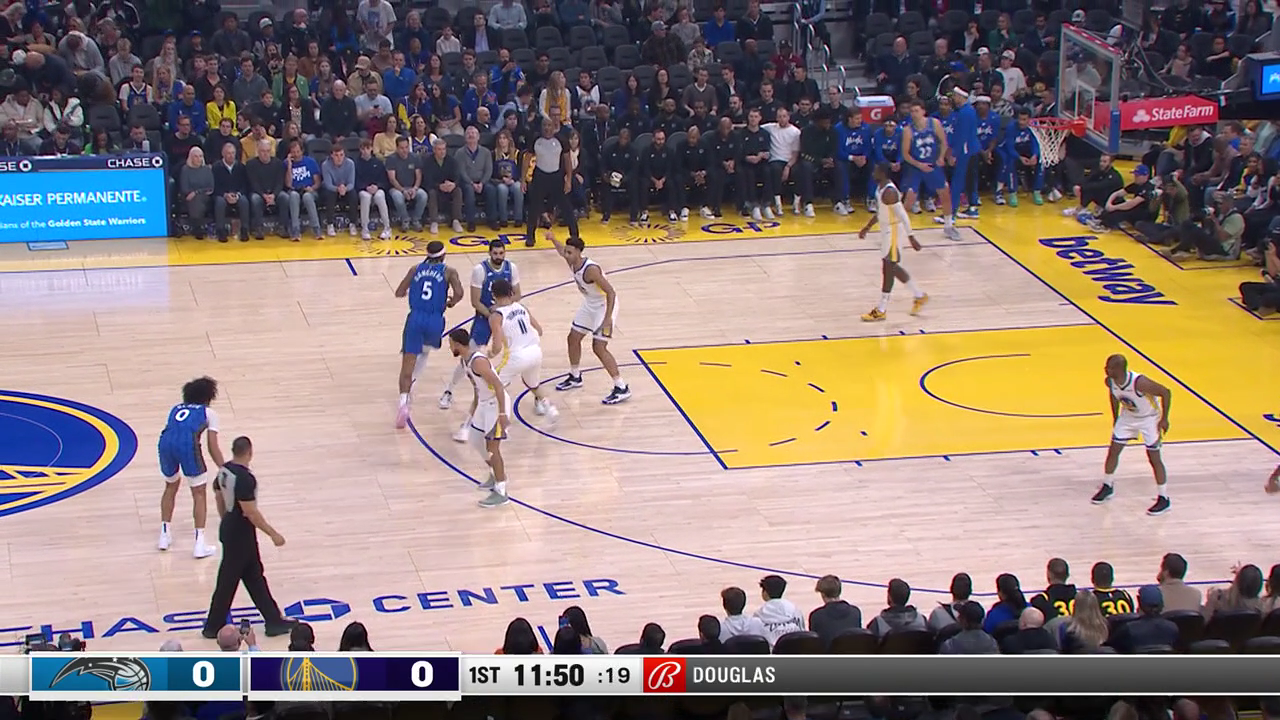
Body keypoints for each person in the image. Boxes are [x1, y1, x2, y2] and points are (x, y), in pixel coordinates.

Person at [201, 436, 295, 639]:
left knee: (254, 576)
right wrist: (273, 534)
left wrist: (225, 518)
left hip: (230, 526)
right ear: (249, 452)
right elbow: (250, 512)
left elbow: (218, 495)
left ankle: (273, 620)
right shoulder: (244, 479)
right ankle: (213, 626)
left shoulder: (224, 470)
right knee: (228, 580)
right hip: (240, 533)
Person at [440, 239, 522, 435]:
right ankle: (449, 390)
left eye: (501, 253)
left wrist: (501, 311)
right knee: (467, 357)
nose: (498, 256)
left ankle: (536, 395)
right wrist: (491, 315)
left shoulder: (512, 268)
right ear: (489, 253)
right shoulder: (480, 270)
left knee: (520, 350)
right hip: (484, 318)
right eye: (495, 253)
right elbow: (475, 301)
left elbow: (518, 295)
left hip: (503, 316)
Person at [548, 234, 630, 405]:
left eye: (569, 252)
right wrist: (553, 238)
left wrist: (607, 319)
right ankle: (575, 376)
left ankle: (621, 387)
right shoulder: (571, 260)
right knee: (573, 338)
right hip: (590, 304)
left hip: (605, 306)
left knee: (599, 347)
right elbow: (560, 250)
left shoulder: (591, 270)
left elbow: (611, 292)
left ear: (579, 252)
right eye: (566, 252)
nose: (566, 255)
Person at [393, 241, 464, 428]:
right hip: (434, 320)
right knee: (424, 351)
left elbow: (399, 292)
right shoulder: (449, 272)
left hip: (415, 318)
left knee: (407, 364)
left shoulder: (415, 269)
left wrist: (410, 292)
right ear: (443, 255)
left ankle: (403, 402)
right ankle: (413, 383)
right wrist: (451, 303)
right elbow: (459, 293)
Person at [1092, 354, 1173, 515]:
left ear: (1119, 369)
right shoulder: (1110, 381)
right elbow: (1113, 396)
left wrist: (1164, 419)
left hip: (1149, 418)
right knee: (1113, 451)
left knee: (1154, 458)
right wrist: (1116, 417)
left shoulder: (1140, 382)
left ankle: (1164, 498)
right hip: (1128, 416)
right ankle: (1108, 485)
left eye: (1109, 367)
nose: (1106, 369)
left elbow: (1166, 392)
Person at [157, 376, 225, 558]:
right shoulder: (208, 413)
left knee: (170, 486)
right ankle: (199, 543)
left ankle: (164, 535)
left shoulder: (175, 408)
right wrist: (224, 467)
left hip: (165, 444)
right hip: (187, 446)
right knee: (199, 493)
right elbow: (212, 445)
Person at [447, 328, 513, 508]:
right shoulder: (465, 361)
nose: (450, 348)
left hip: (496, 404)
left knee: (493, 448)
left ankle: (501, 491)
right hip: (484, 404)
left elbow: (498, 386)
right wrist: (471, 414)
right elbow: (477, 389)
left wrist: (502, 414)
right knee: (476, 440)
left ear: (458, 345)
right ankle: (494, 474)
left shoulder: (478, 362)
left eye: (451, 344)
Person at [858, 163, 928, 322]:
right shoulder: (880, 188)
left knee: (889, 268)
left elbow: (903, 215)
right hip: (886, 231)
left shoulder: (890, 193)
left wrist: (911, 237)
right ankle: (919, 295)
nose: (873, 173)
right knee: (891, 268)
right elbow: (881, 212)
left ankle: (882, 308)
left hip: (894, 231)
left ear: (883, 173)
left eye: (876, 171)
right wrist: (867, 227)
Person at [488, 278, 557, 421]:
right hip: (535, 352)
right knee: (533, 384)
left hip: (516, 356)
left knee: (492, 386)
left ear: (493, 295)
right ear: (511, 292)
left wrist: (491, 353)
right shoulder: (522, 307)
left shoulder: (496, 316)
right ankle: (550, 408)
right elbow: (539, 330)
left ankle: (497, 419)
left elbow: (497, 346)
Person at [901, 99, 959, 241]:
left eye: (916, 111)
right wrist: (919, 165)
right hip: (916, 167)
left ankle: (948, 226)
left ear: (923, 111)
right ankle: (899, 229)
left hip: (933, 164)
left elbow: (944, 142)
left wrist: (941, 157)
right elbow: (905, 154)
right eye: (911, 111)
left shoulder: (934, 123)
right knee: (909, 199)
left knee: (945, 193)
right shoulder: (908, 130)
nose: (914, 114)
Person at [523, 118, 579, 247]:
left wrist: (568, 179)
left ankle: (574, 235)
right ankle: (530, 237)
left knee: (566, 207)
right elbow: (527, 159)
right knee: (534, 208)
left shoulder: (561, 140)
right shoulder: (535, 139)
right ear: (541, 127)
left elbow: (567, 161)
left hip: (556, 177)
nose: (547, 128)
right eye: (544, 125)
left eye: (549, 125)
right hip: (540, 176)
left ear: (554, 127)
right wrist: (523, 180)